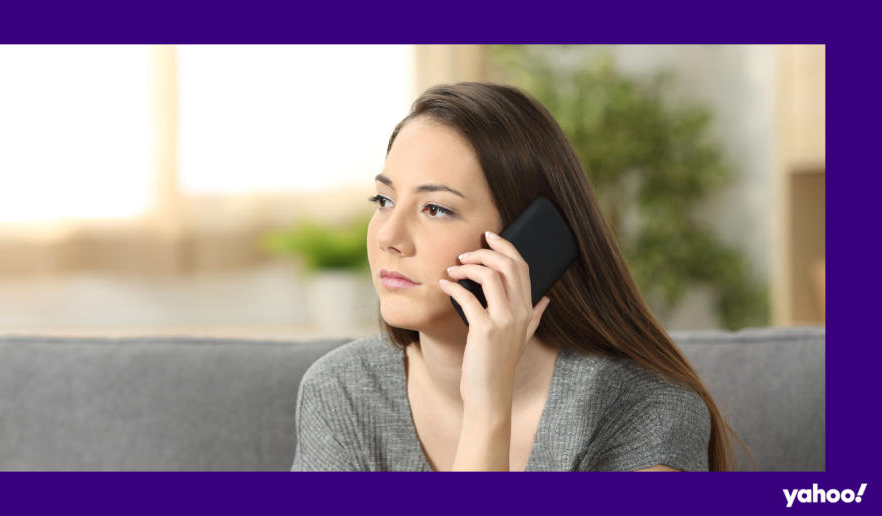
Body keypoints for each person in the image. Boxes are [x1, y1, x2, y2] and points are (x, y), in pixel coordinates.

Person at [291, 82, 744, 471]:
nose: (389, 236)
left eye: (436, 209)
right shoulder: (342, 391)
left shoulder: (639, 407)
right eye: (384, 200)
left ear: (528, 241)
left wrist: (487, 408)